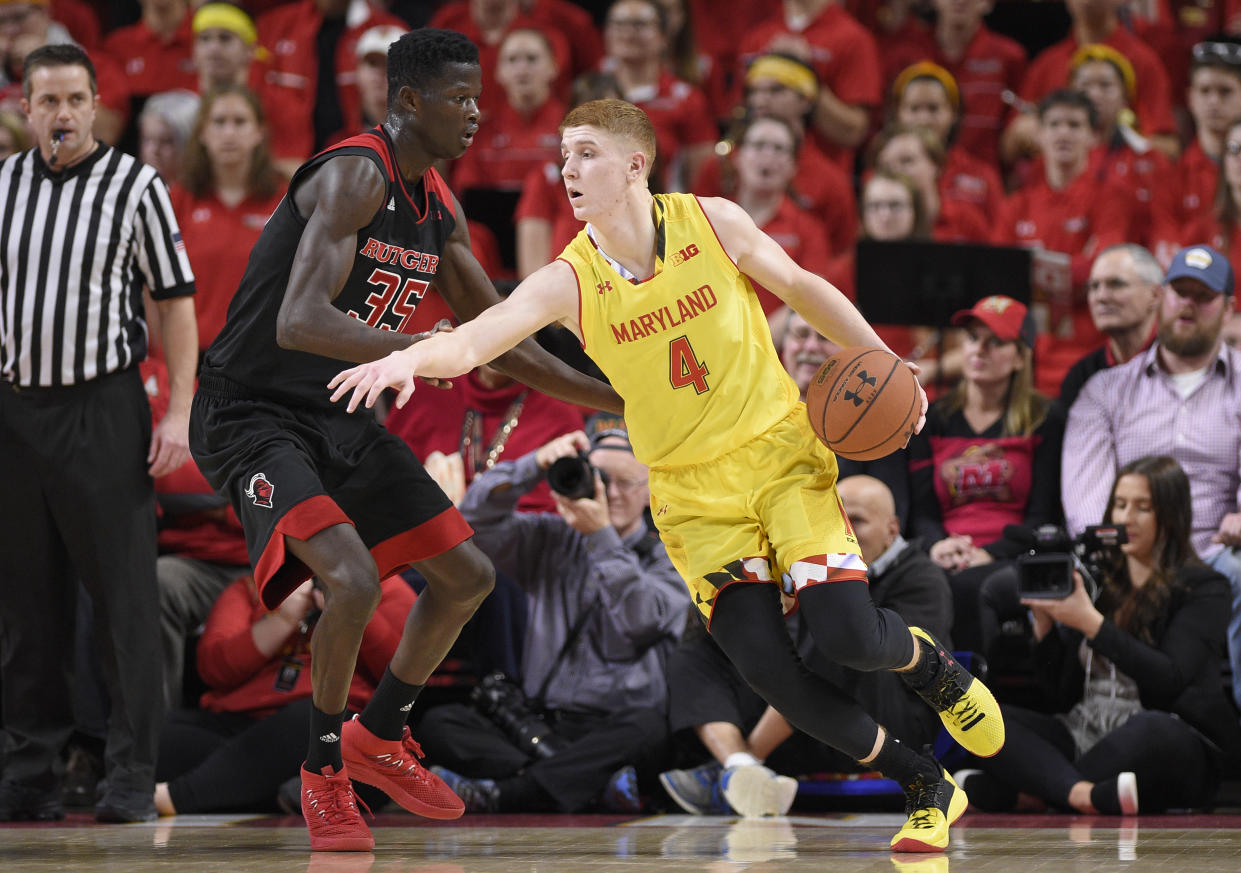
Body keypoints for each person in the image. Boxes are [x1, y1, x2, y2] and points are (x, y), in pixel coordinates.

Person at [330, 97, 1007, 854]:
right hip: (689, 496)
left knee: (846, 633)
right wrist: (404, 356)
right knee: (771, 675)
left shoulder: (712, 221)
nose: (568, 169)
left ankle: (934, 672)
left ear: (634, 164)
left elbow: (800, 284)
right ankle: (926, 786)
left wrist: (890, 363)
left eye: (585, 152)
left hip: (779, 460)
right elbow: (478, 339)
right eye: (561, 155)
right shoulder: (571, 279)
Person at [187, 29, 623, 853]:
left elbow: (504, 339)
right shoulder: (355, 173)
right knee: (349, 579)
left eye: (477, 96)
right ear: (409, 102)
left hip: (339, 413)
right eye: (460, 98)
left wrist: (619, 399)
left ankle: (379, 734)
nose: (476, 112)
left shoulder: (441, 206)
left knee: (466, 575)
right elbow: (299, 318)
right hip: (251, 413)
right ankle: (323, 771)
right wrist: (419, 353)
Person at [0, 43, 198, 823]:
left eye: (75, 100)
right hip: (15, 411)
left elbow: (175, 303)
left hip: (102, 406)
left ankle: (129, 772)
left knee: (122, 601)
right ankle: (30, 769)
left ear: (95, 104)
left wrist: (178, 411)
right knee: (24, 607)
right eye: (47, 101)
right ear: (25, 109)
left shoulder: (135, 185)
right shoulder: (5, 184)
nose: (62, 115)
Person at [418, 427, 691, 814]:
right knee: (440, 723)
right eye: (599, 479)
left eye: (627, 483)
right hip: (540, 722)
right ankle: (583, 783)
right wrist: (533, 464)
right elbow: (473, 524)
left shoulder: (674, 555)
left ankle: (509, 794)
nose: (610, 493)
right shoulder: (549, 538)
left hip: (616, 726)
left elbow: (640, 621)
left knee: (650, 730)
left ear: (651, 489)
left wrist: (600, 537)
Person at [957, 456, 1241, 815]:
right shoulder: (1098, 582)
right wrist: (1044, 626)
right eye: (1120, 505)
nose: (1126, 518)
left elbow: (1170, 680)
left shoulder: (1204, 587)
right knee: (981, 717)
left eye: (1143, 508)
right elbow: (1059, 695)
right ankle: (1083, 795)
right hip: (1087, 730)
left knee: (1151, 730)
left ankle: (1041, 791)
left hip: (1170, 735)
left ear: (1171, 515)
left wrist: (1091, 623)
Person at [658, 474, 951, 818]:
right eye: (837, 520)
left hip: (892, 719)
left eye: (857, 520)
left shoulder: (921, 577)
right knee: (700, 647)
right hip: (813, 721)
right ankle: (739, 766)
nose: (846, 531)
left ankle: (737, 769)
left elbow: (901, 662)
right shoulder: (810, 568)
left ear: (892, 528)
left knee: (843, 637)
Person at [1062, 244, 1241, 712]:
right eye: (1179, 292)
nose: (1188, 304)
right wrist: (1115, 547)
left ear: (1228, 307)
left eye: (1203, 296)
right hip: (1125, 550)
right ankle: (1078, 722)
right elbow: (1085, 498)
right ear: (1160, 298)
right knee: (1060, 573)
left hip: (1216, 551)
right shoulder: (1106, 389)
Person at [153, 575, 414, 816]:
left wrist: (352, 609)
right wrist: (282, 621)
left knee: (317, 721)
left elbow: (404, 674)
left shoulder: (386, 588)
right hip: (243, 723)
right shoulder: (250, 589)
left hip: (327, 726)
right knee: (160, 733)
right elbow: (213, 670)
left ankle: (177, 797)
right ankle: (287, 795)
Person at [906, 295, 1064, 656]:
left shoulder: (1044, 420)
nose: (980, 350)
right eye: (974, 338)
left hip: (1011, 554)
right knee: (919, 584)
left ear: (1022, 357)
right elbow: (922, 510)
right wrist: (938, 546)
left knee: (968, 587)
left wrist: (990, 554)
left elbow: (1043, 515)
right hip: (946, 550)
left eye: (996, 342)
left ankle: (970, 699)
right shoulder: (931, 417)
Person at [170, 84, 286, 353]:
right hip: (191, 356)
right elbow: (154, 289)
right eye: (219, 122)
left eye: (240, 122)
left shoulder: (285, 199)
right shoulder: (179, 199)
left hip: (262, 358)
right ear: (202, 133)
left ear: (259, 132)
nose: (229, 133)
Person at [1058, 243, 1162, 413]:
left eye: (1116, 284)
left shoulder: (1180, 365)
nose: (1101, 297)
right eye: (1094, 286)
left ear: (1155, 295)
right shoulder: (1082, 375)